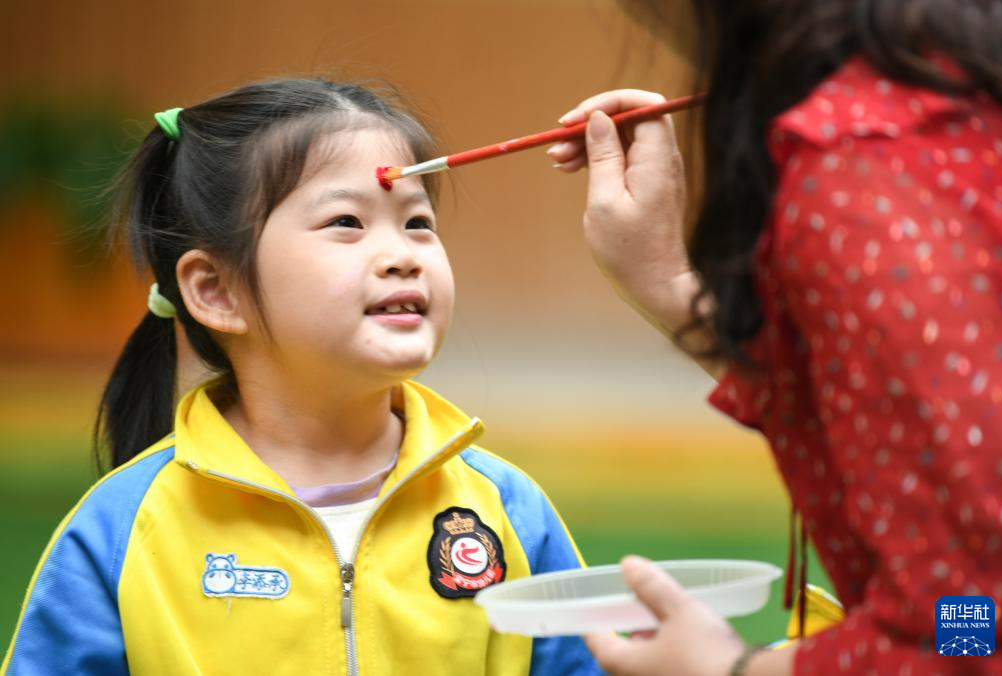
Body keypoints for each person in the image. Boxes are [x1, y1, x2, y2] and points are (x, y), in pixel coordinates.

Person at [2, 79, 599, 676]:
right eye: (346, 221)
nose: (404, 255)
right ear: (218, 291)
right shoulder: (119, 529)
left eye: (418, 221)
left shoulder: (506, 510)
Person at [547, 0, 1002, 673]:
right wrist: (667, 283)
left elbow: (969, 627)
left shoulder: (866, 167)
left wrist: (732, 669)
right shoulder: (954, 99)